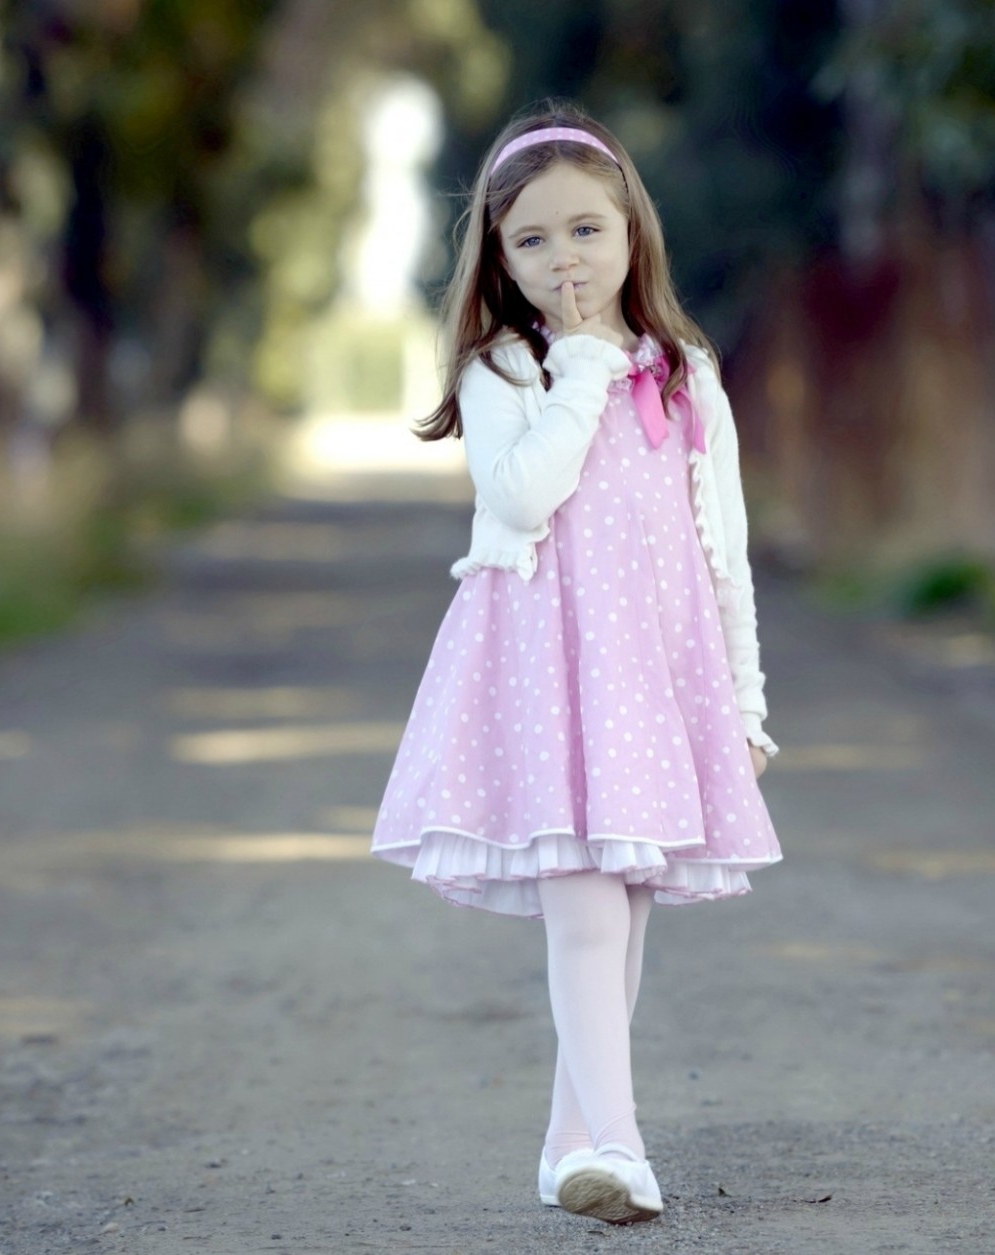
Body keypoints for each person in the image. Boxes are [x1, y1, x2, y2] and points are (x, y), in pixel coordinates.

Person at [369, 100, 783, 1226]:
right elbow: (521, 493)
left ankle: (570, 1147)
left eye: (588, 231)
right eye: (534, 239)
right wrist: (586, 368)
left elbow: (724, 551)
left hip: (656, 677)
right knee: (587, 915)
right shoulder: (503, 367)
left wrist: (747, 704)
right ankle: (626, 1147)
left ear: (632, 231)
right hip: (544, 679)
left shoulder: (688, 373)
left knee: (626, 917)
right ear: (499, 256)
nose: (567, 259)